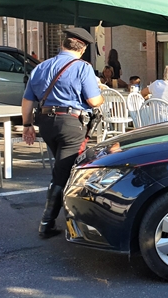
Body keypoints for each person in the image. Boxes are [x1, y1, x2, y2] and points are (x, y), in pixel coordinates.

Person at [21, 27, 105, 239]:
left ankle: (57, 217)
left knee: (61, 169)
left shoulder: (41, 67)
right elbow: (94, 101)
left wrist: (27, 125)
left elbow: (27, 100)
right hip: (71, 124)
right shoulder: (82, 67)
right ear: (83, 48)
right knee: (66, 172)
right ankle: (47, 223)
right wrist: (100, 93)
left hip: (46, 123)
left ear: (63, 45)